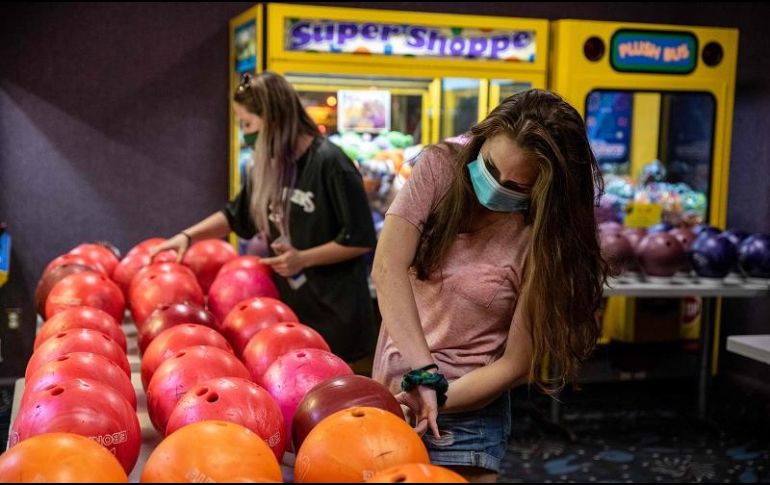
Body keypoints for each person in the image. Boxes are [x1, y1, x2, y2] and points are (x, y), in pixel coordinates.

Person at [371, 89, 607, 482]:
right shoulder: (439, 168)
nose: (497, 187)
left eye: (518, 186)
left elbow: (516, 364)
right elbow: (387, 267)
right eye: (492, 169)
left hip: (465, 423)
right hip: (392, 395)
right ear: (482, 139)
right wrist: (422, 374)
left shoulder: (545, 237)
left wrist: (435, 395)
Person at [151, 71, 377, 366]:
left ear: (273, 119)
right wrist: (187, 236)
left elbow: (360, 239)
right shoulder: (271, 166)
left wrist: (303, 259)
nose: (245, 134)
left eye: (247, 123)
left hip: (340, 324)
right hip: (294, 317)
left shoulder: (331, 163)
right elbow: (236, 215)